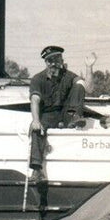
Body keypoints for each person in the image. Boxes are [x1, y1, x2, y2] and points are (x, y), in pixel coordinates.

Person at [28, 44, 88, 181]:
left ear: (62, 60)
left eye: (57, 59)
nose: (54, 64)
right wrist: (36, 120)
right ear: (46, 63)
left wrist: (89, 67)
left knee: (79, 84)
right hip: (49, 114)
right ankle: (37, 170)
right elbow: (35, 100)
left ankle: (75, 117)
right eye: (51, 61)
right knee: (36, 129)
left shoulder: (68, 76)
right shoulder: (38, 79)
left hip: (66, 112)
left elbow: (87, 87)